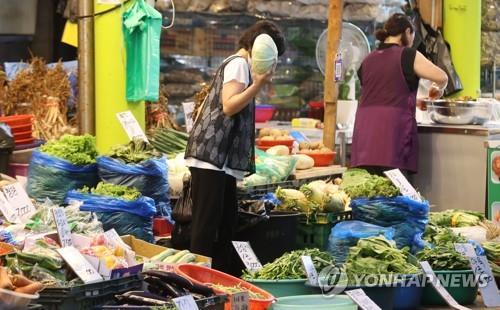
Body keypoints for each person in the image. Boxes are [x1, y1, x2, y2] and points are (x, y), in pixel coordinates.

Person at [184, 21, 286, 272]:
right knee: (206, 228)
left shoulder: (240, 65)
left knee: (225, 224)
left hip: (220, 161)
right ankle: (197, 283)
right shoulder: (239, 64)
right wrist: (258, 85)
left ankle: (219, 280)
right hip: (212, 159)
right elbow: (229, 105)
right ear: (258, 47)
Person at [350, 13, 448, 176]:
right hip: (391, 132)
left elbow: (381, 95)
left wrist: (415, 102)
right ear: (407, 32)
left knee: (367, 189)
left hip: (365, 132)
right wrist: (439, 90)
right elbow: (442, 77)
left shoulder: (368, 59)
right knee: (393, 189)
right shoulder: (408, 55)